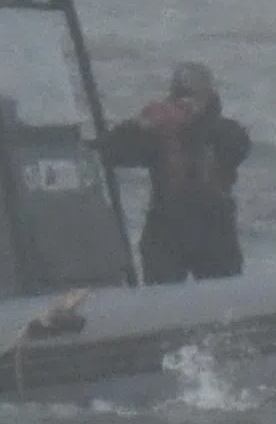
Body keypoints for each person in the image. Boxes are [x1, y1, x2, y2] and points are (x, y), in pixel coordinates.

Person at [98, 60, 252, 284]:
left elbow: (237, 147)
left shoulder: (227, 132)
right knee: (160, 290)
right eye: (180, 96)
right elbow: (110, 153)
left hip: (214, 231)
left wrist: (194, 125)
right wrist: (138, 125)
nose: (185, 103)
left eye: (193, 96)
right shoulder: (159, 131)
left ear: (208, 97)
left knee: (224, 292)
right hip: (166, 231)